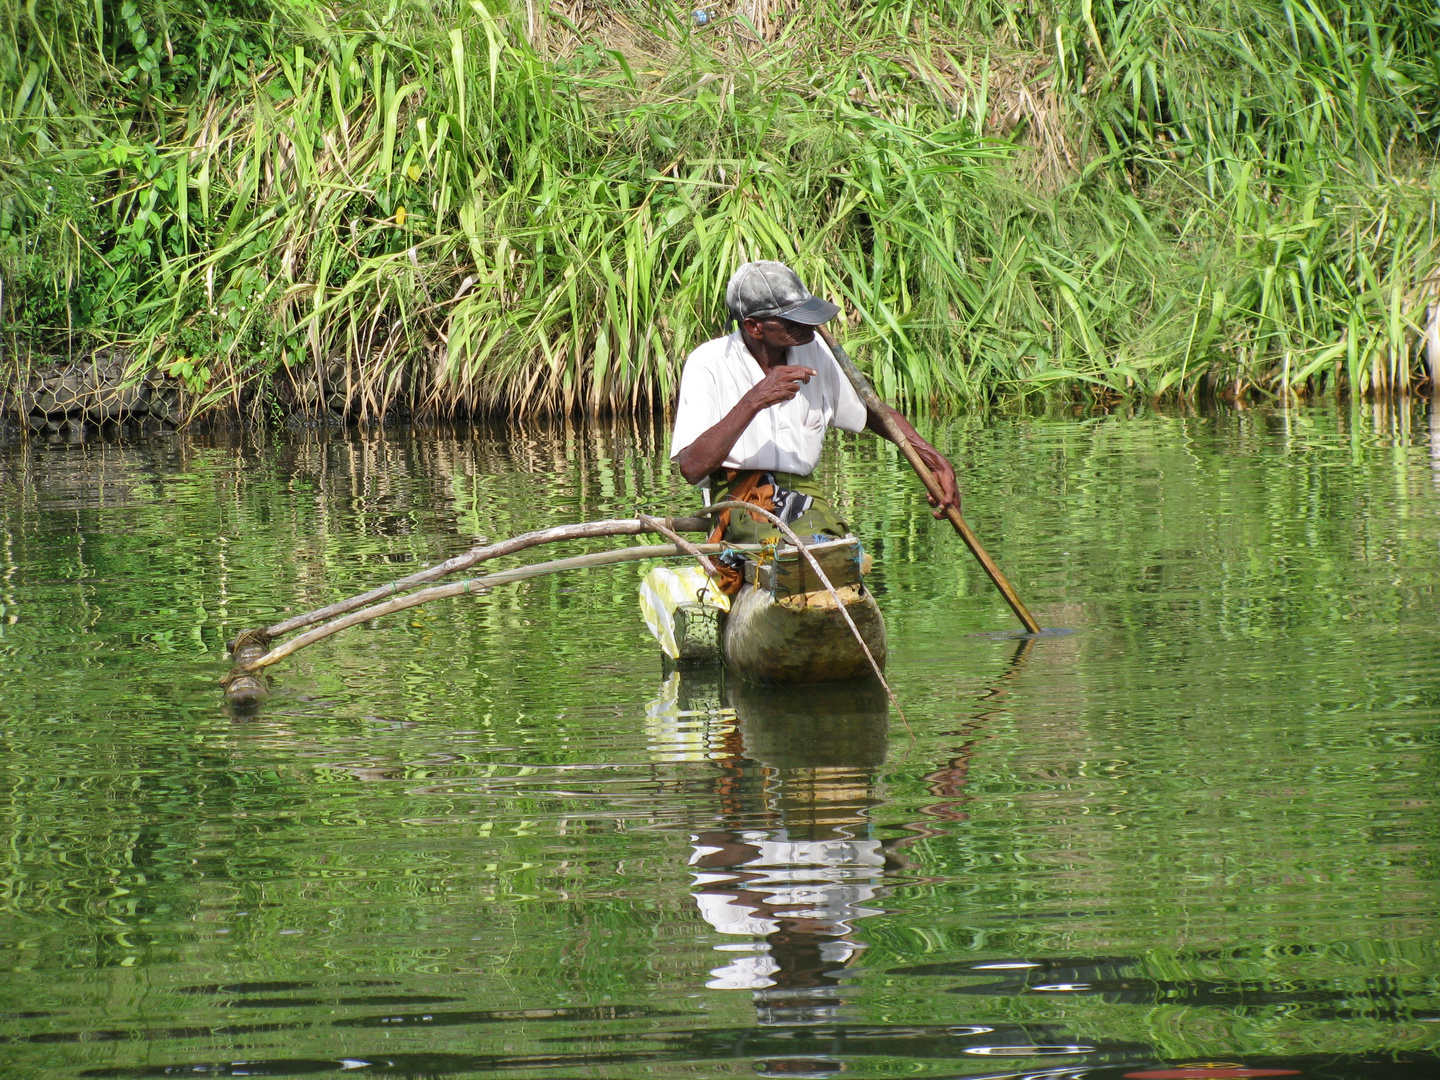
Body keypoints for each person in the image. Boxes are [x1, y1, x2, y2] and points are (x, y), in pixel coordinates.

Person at [670, 261, 960, 552]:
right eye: (792, 320)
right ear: (754, 326)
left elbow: (871, 411)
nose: (807, 324)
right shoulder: (708, 363)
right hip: (739, 498)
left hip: (803, 495)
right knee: (785, 555)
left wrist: (934, 460)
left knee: (836, 551)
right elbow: (692, 468)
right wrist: (755, 399)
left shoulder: (814, 351)